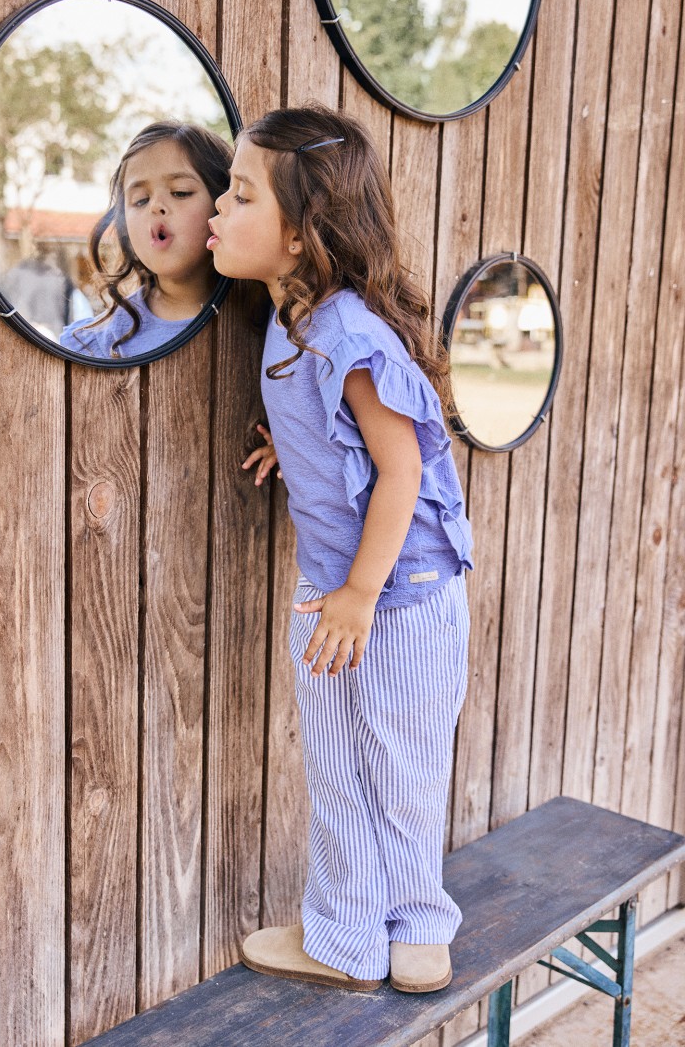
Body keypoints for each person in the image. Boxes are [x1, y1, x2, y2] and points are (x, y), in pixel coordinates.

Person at [207, 104, 474, 993]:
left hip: (398, 597)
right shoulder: (290, 317)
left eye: (240, 195)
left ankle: (419, 927)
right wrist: (300, 443)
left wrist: (360, 595)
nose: (217, 206)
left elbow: (400, 471)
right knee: (337, 768)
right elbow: (350, 438)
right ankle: (349, 934)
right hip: (333, 590)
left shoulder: (352, 334)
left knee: (402, 765)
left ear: (299, 234)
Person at [60, 121, 232, 358]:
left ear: (222, 203)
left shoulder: (270, 319)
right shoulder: (91, 345)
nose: (156, 207)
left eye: (180, 192)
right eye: (141, 200)